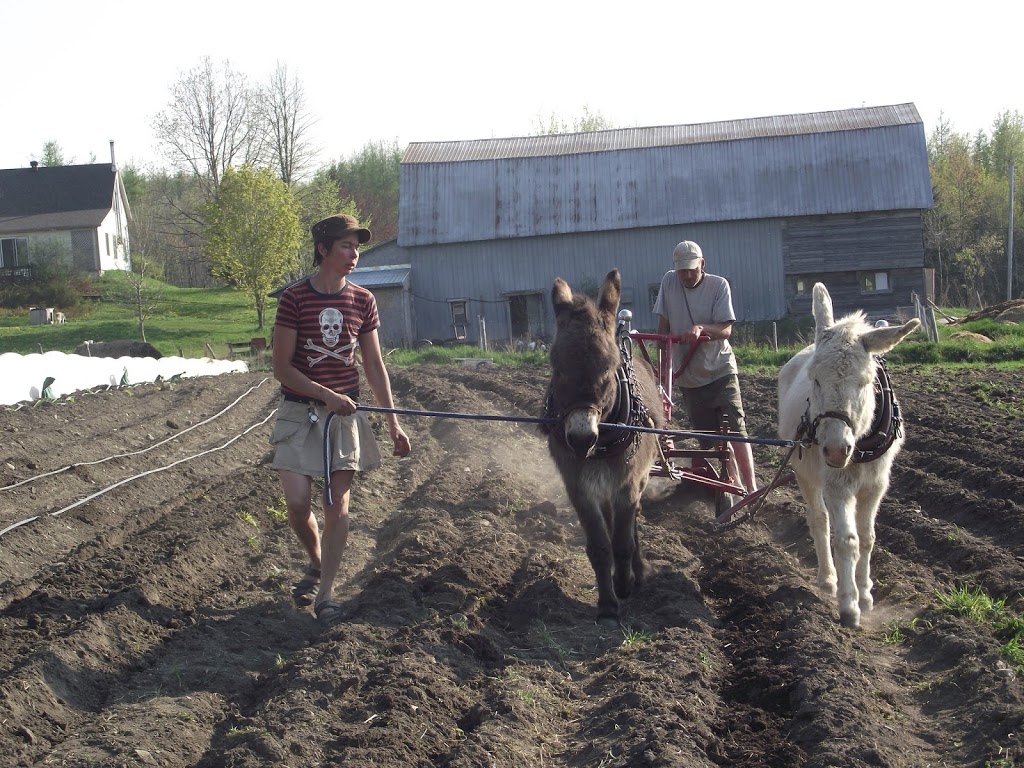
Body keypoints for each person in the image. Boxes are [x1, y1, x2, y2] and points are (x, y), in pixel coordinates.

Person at [270, 213, 411, 627]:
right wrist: (324, 394)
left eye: (357, 247)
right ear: (323, 249)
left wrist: (393, 423)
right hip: (301, 412)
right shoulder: (295, 299)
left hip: (343, 418)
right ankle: (317, 562)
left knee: (336, 505)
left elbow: (374, 365)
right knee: (297, 504)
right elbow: (281, 367)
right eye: (347, 246)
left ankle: (327, 593)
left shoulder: (362, 300)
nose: (355, 254)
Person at [652, 240, 758, 493]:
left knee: (735, 429)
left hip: (719, 368)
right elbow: (663, 326)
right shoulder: (669, 282)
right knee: (710, 439)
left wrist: (701, 328)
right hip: (688, 375)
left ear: (702, 263)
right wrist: (661, 364)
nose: (686, 276)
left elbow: (726, 329)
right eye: (682, 271)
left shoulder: (718, 286)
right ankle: (734, 485)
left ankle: (752, 490)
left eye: (691, 269)